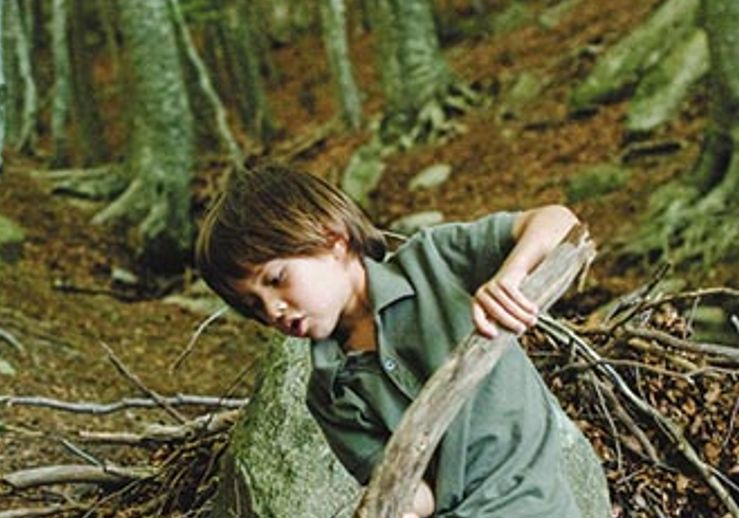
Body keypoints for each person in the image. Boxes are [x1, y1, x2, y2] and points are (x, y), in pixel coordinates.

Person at [195, 163, 591, 518]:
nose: (272, 310)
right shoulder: (329, 393)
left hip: (535, 504)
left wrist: (510, 276)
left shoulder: (437, 264)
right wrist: (391, 503)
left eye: (277, 280)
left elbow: (560, 222)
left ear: (334, 240)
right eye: (254, 304)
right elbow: (424, 493)